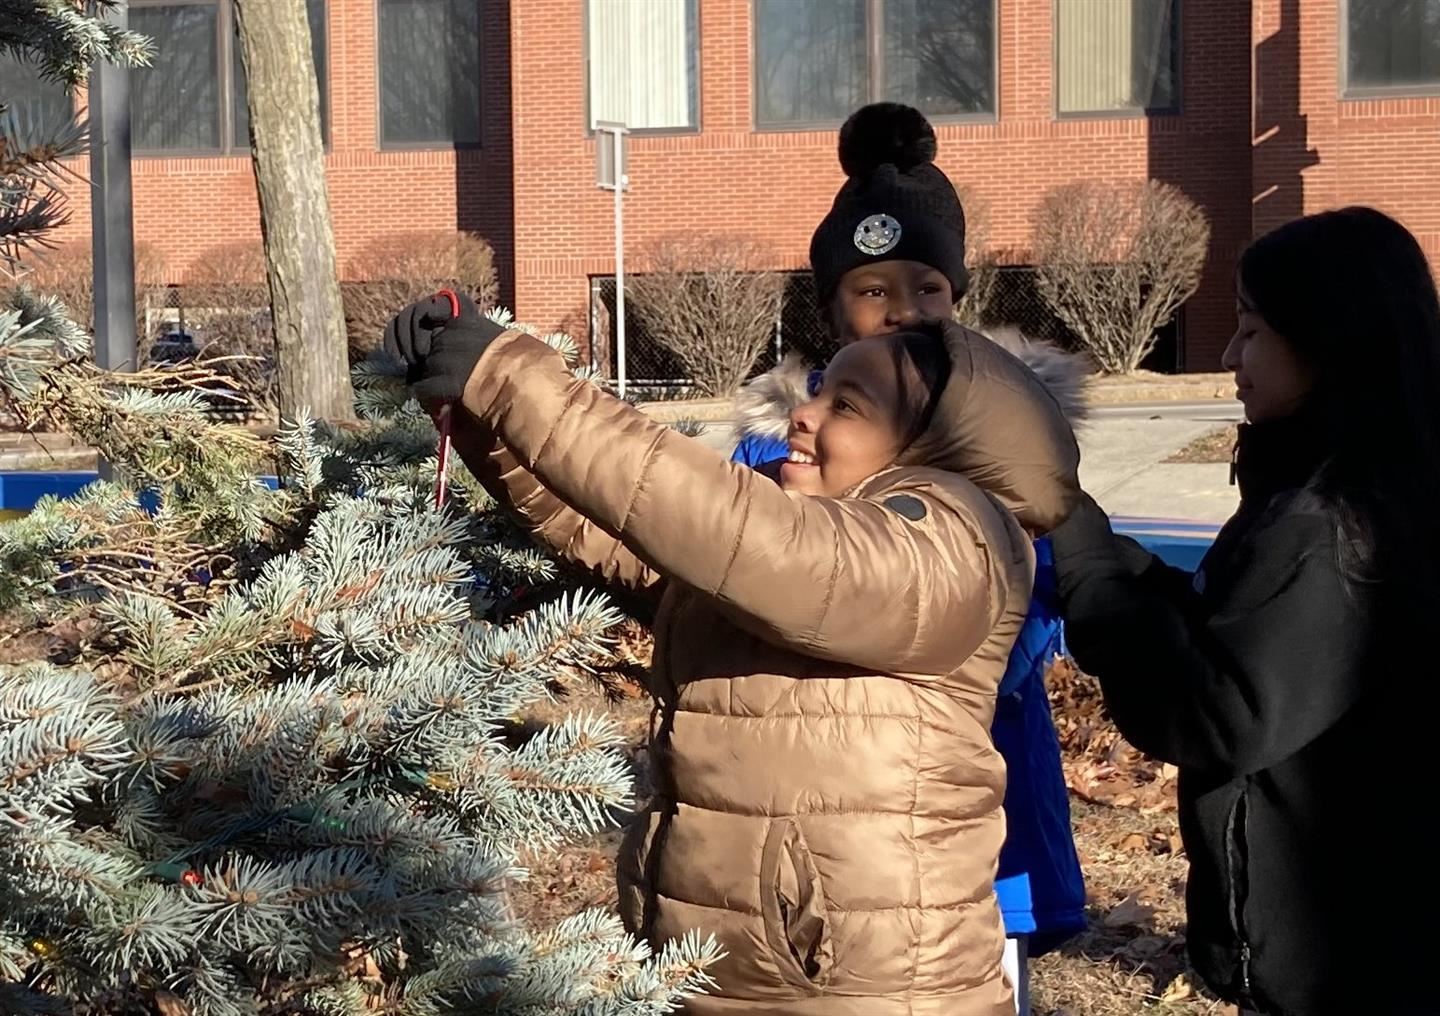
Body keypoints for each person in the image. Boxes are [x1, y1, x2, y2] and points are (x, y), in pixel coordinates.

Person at [382, 295, 1081, 1014]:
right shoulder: (800, 544)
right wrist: (480, 414)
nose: (805, 414)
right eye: (817, 391)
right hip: (724, 970)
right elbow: (628, 532)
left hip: (864, 987)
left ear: (929, 446)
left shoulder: (957, 540)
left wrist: (516, 378)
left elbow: (748, 536)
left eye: (849, 404)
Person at [730, 102, 1087, 1009]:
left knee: (979, 955)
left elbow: (1039, 596)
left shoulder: (1007, 445)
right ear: (833, 305)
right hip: (825, 773)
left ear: (958, 297)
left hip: (977, 751)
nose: (899, 311)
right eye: (872, 290)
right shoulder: (778, 453)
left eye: (925, 287)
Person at [1048, 206, 1440, 1016]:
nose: (1230, 356)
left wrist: (1074, 542)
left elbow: (1217, 710)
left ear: (1328, 340)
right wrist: (1091, 544)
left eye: (1251, 330)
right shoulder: (1354, 484)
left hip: (1358, 966)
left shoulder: (1330, 527)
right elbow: (1214, 618)